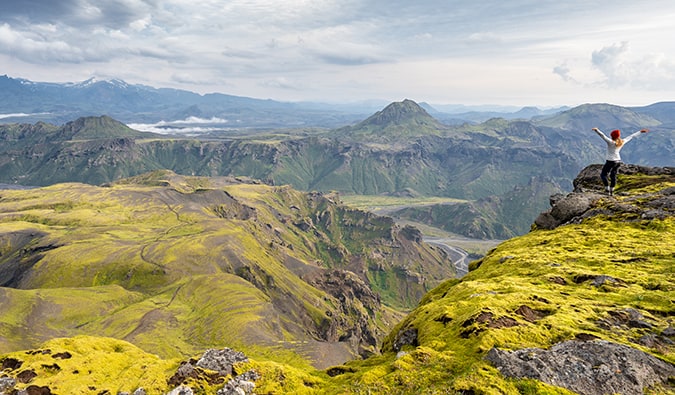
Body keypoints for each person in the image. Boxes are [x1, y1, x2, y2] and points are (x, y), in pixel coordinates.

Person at [592, 127, 649, 195]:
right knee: (613, 176)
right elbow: (631, 136)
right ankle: (612, 191)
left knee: (603, 175)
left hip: (610, 161)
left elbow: (603, 136)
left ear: (612, 136)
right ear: (618, 136)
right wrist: (640, 132)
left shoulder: (610, 142)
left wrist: (596, 130)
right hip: (618, 161)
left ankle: (607, 189)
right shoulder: (622, 142)